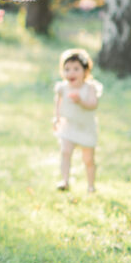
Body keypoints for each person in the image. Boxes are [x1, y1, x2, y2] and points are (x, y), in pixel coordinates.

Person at [53, 48, 102, 193]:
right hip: (68, 125)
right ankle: (65, 180)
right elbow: (58, 103)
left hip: (86, 128)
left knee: (88, 160)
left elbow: (93, 105)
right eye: (67, 69)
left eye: (76, 69)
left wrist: (81, 101)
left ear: (85, 72)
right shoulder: (62, 88)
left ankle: (91, 186)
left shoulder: (90, 88)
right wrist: (56, 118)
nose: (71, 73)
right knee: (65, 152)